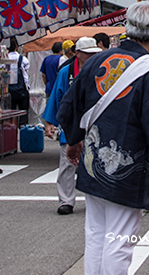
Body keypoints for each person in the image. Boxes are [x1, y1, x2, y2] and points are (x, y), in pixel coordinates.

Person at [57, 1, 149, 275]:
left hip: (93, 162)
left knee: (96, 233)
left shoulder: (96, 60)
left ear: (127, 29)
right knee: (119, 240)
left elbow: (73, 105)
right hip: (127, 170)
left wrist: (74, 141)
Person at [42, 37, 101, 215]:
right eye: (87, 54)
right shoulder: (66, 72)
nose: (91, 57)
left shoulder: (102, 70)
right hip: (72, 122)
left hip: (95, 122)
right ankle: (66, 201)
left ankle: (97, 200)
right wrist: (49, 122)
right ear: (77, 54)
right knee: (67, 162)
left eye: (93, 53)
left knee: (95, 162)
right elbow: (56, 96)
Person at [8, 37, 30, 126]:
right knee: (23, 110)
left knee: (11, 111)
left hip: (9, 89)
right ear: (17, 47)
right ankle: (23, 127)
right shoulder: (23, 59)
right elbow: (26, 75)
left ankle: (11, 126)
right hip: (22, 89)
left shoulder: (4, 59)